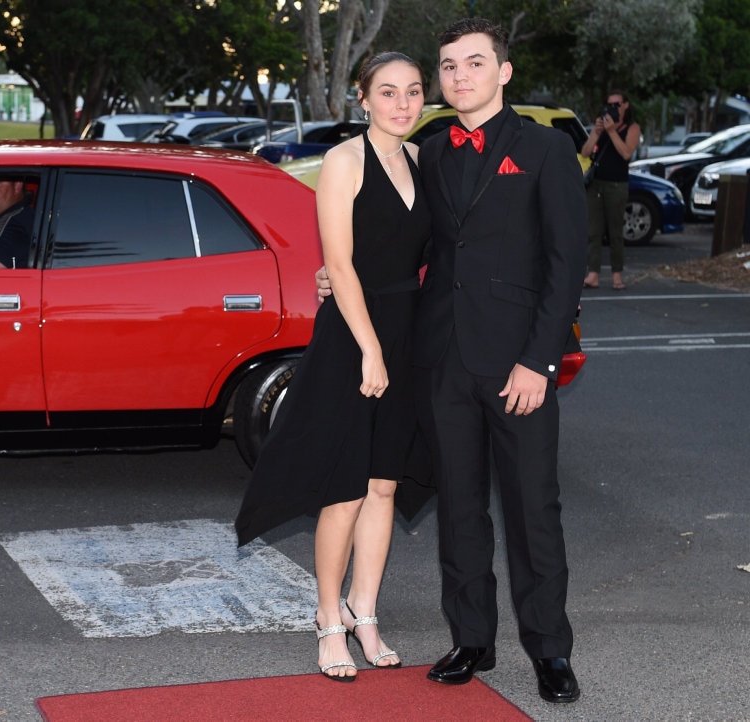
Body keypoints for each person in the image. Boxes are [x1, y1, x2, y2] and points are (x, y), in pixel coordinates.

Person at [317, 17, 585, 703]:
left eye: (474, 63)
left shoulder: (548, 150)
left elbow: (566, 265)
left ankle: (550, 650)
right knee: (460, 509)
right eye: (450, 67)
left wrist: (540, 362)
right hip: (440, 360)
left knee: (534, 511)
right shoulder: (429, 152)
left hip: (518, 364)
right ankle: (472, 640)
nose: (460, 77)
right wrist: (338, 276)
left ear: (504, 72)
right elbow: (401, 240)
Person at [235, 52, 432, 682]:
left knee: (384, 484)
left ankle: (364, 612)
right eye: (388, 92)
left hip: (406, 329)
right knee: (345, 489)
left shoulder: (423, 162)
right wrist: (370, 348)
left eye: (413, 92)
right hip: (353, 335)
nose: (402, 104)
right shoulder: (345, 161)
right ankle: (327, 621)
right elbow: (340, 266)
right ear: (363, 98)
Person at [581, 91, 640, 290]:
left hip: (617, 185)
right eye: (609, 104)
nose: (612, 108)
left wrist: (613, 131)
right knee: (593, 231)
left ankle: (616, 275)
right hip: (596, 184)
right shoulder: (602, 126)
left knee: (615, 232)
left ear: (625, 105)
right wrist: (597, 133)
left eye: (617, 104)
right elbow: (585, 152)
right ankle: (593, 274)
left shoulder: (632, 128)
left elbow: (626, 153)